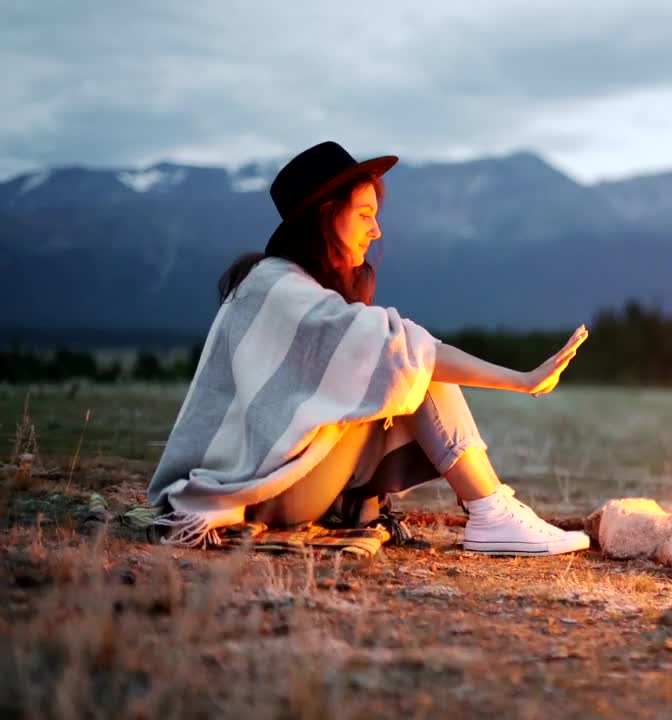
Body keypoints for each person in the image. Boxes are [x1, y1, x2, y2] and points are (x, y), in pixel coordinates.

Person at [146, 141, 590, 556]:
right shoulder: (275, 286)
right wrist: (522, 380)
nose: (375, 231)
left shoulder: (290, 285)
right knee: (407, 357)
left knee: (399, 360)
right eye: (363, 215)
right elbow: (399, 353)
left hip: (273, 483)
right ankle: (490, 511)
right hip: (262, 490)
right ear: (326, 215)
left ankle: (466, 509)